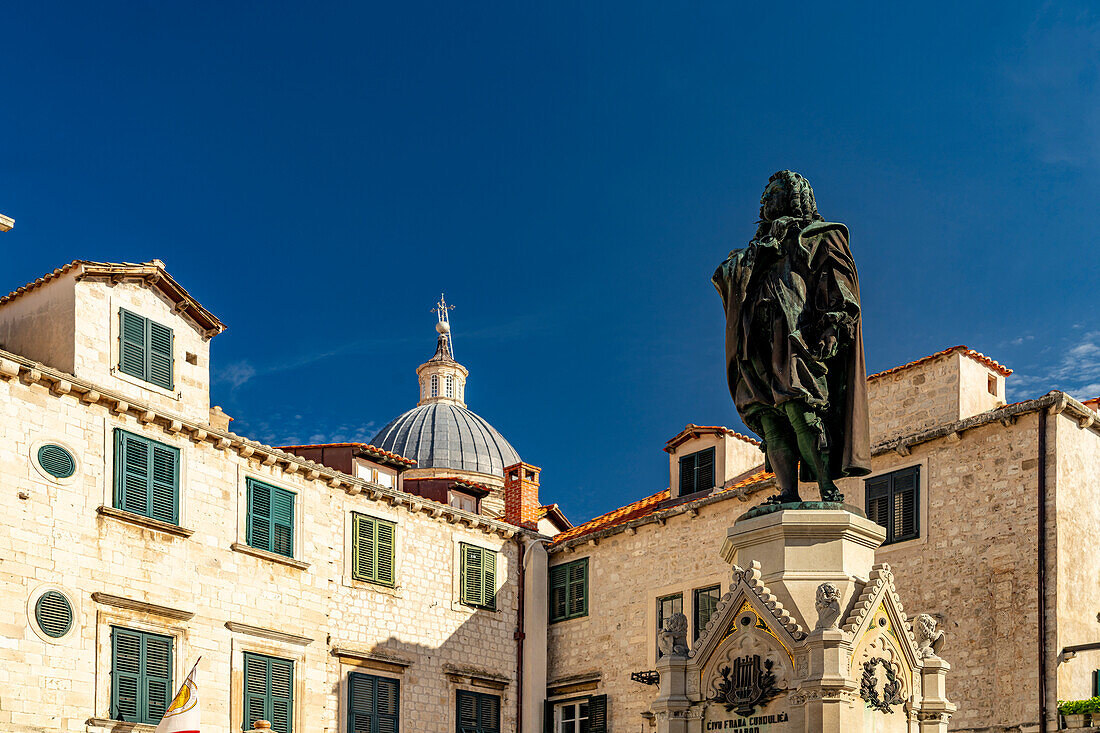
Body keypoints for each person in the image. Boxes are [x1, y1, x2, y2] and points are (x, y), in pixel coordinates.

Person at [712, 170, 871, 504]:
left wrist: (832, 326)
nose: (763, 201)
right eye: (764, 195)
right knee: (768, 416)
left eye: (771, 193)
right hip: (754, 338)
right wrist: (747, 260)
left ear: (793, 196)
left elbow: (839, 283)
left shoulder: (820, 236)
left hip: (796, 333)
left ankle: (828, 487)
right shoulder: (754, 250)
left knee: (801, 408)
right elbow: (725, 278)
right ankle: (787, 492)